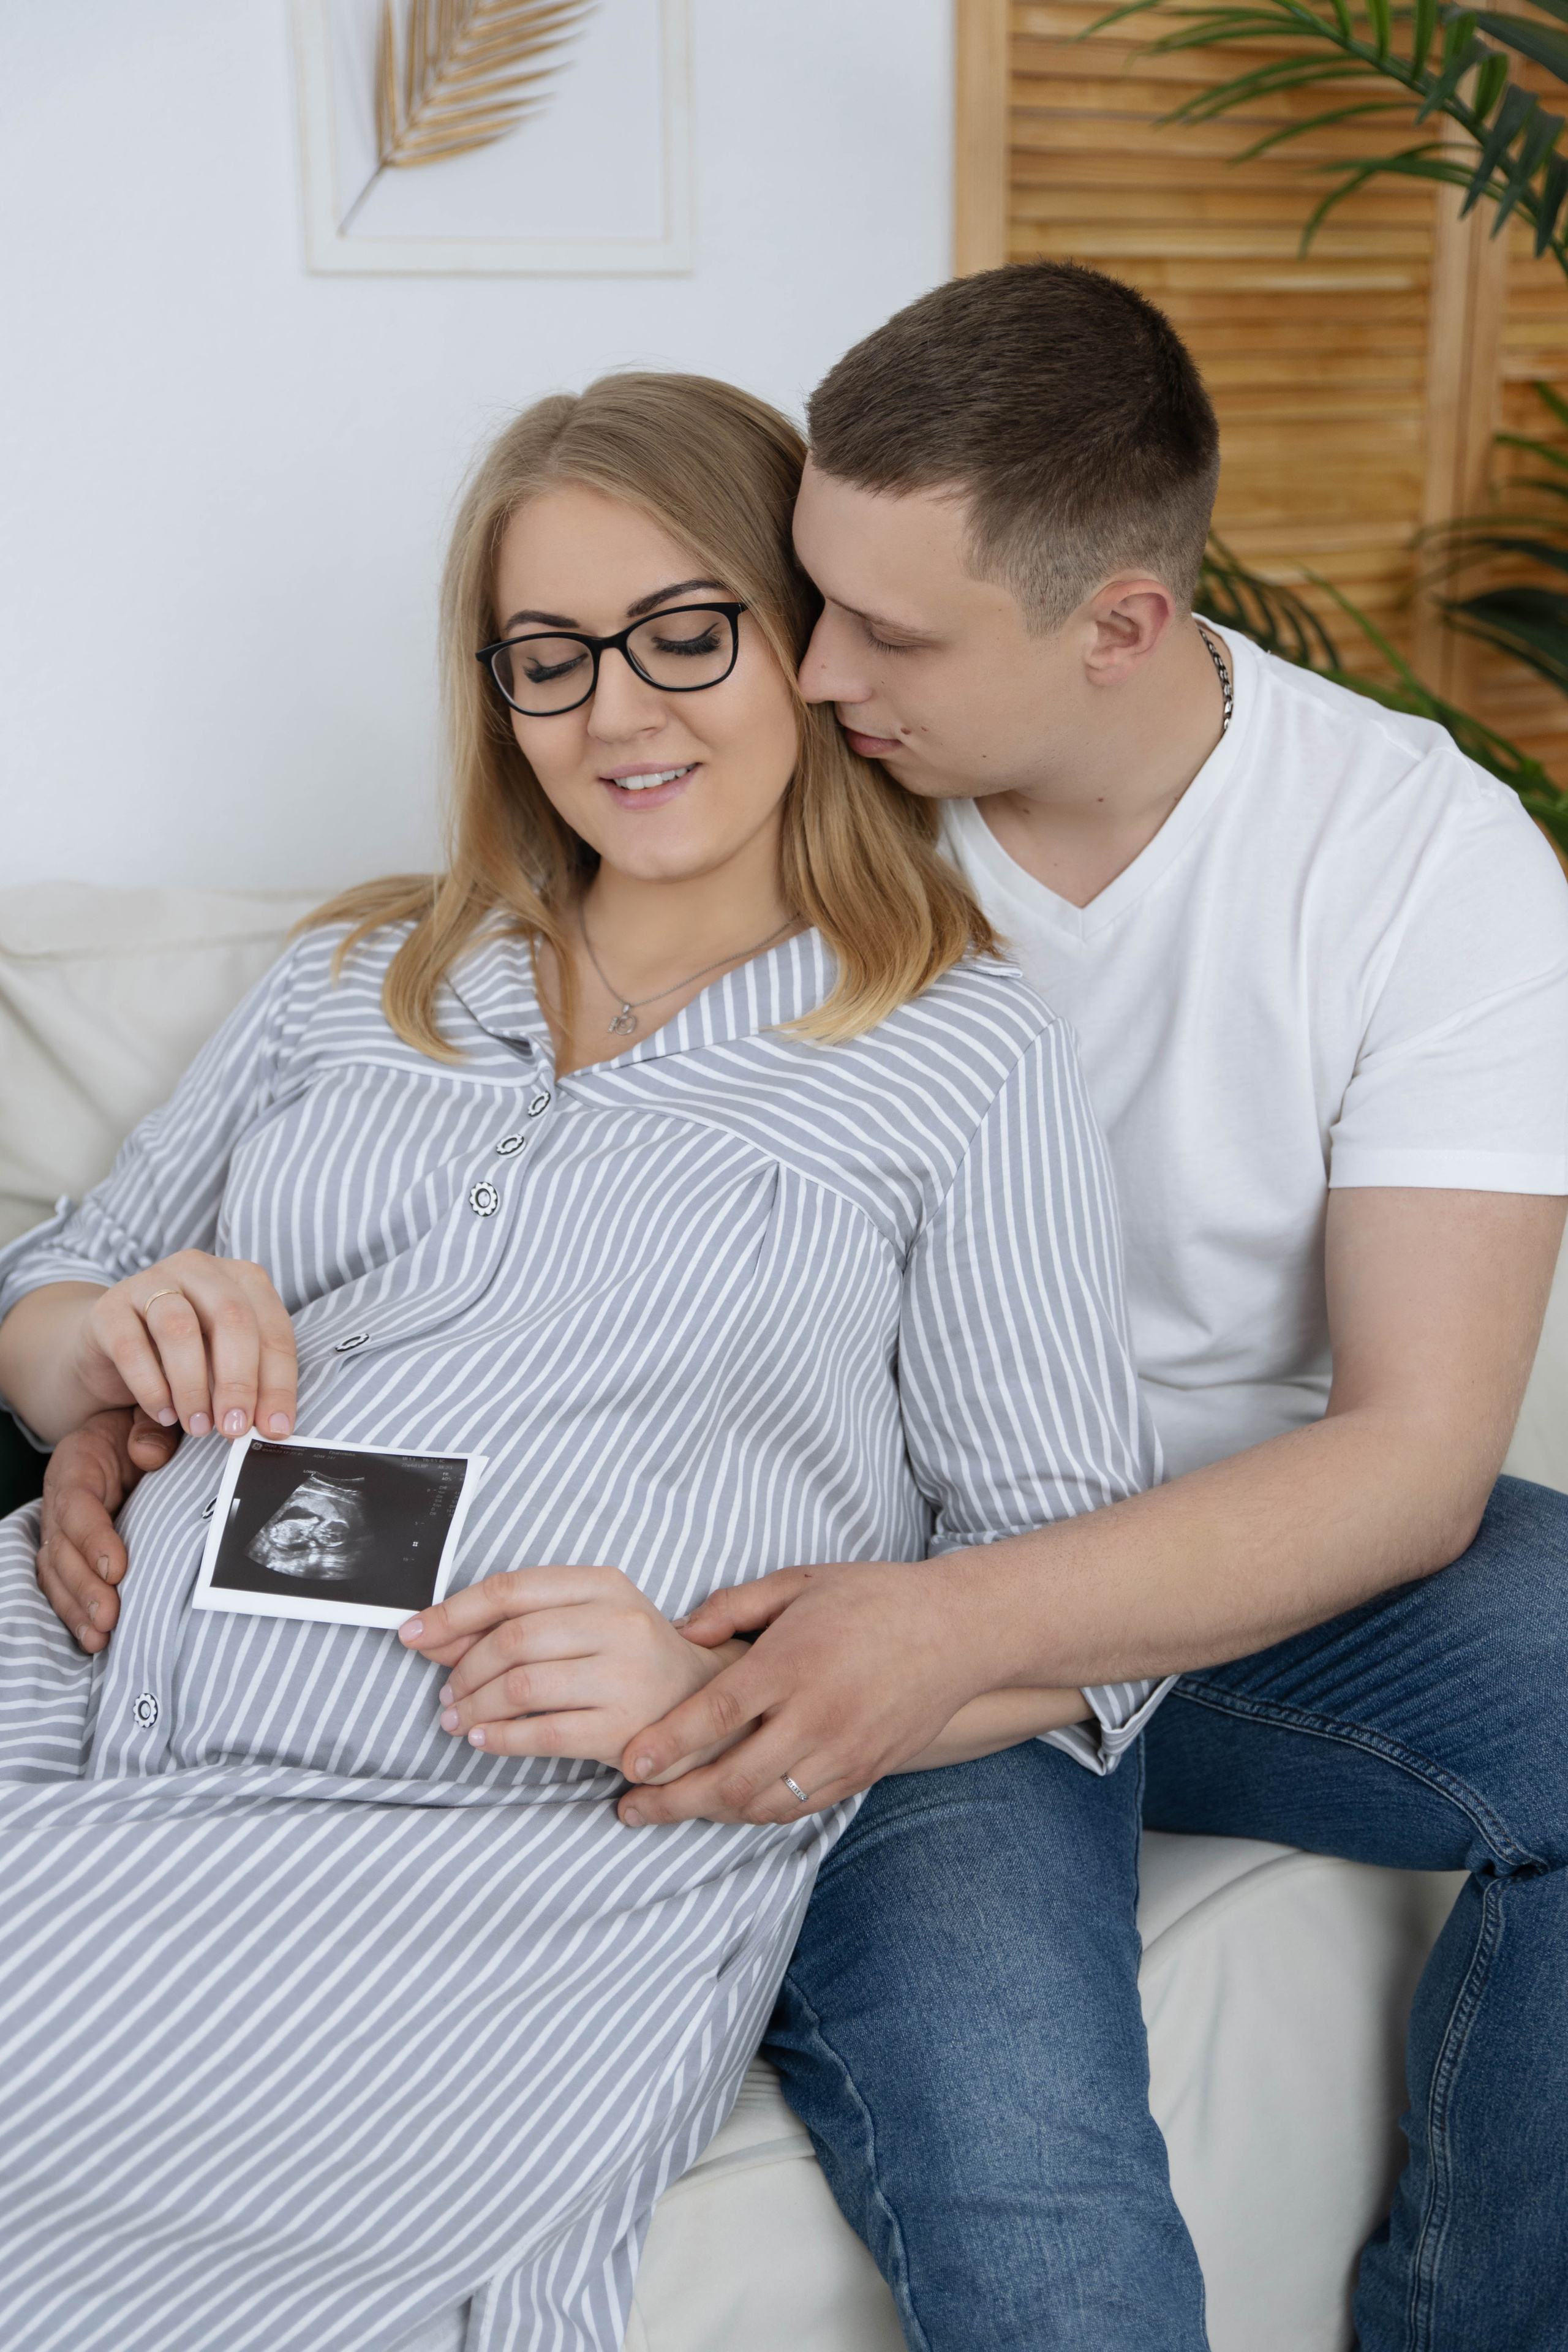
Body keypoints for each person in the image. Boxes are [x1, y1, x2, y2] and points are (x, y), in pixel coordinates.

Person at [0, 369, 1160, 2352]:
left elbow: (1077, 1590)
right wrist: (97, 1350)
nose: (616, 712)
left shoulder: (955, 1050)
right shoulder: (361, 972)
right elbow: (55, 1285)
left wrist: (721, 1699)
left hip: (496, 1836)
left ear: (804, 642)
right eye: (550, 658)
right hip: (79, 1678)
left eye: (684, 633)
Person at [580, 268, 1567, 2352]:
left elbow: (1414, 1459)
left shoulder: (1422, 860)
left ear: (1122, 622)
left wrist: (953, 1630)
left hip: (1225, 1575)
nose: (817, 669)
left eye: (895, 633)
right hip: (841, 1569)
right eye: (814, 599)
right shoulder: (790, 793)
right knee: (1047, 2224)